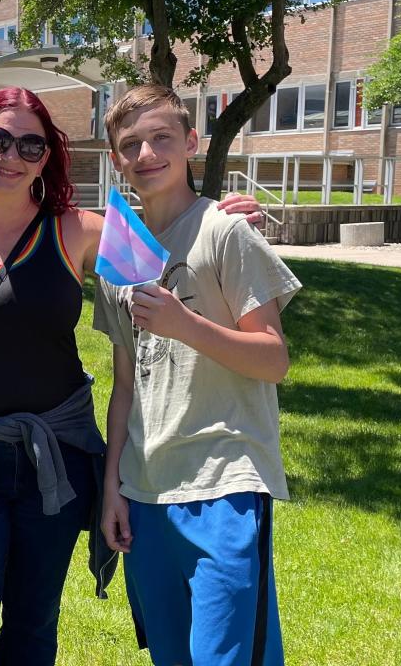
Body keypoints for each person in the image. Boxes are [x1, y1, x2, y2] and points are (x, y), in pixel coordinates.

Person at [0, 86, 266, 666]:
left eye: (30, 144)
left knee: (33, 625)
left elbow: (175, 253)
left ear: (47, 158)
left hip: (55, 464)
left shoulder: (80, 230)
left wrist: (228, 216)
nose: (11, 155)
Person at [93, 84, 302, 666]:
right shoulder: (122, 250)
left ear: (190, 143)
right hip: (146, 486)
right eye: (130, 144)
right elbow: (126, 383)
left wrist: (185, 324)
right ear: (116, 159)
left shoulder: (224, 231)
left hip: (225, 483)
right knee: (170, 654)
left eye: (161, 138)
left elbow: (272, 357)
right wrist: (113, 486)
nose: (146, 153)